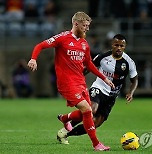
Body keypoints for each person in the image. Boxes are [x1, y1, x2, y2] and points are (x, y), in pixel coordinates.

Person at [27, 11, 115, 151]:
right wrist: (33, 58)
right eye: (85, 25)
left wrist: (104, 78)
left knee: (88, 113)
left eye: (88, 26)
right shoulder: (63, 38)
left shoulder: (84, 44)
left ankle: (65, 118)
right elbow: (40, 45)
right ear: (76, 24)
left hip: (80, 82)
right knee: (86, 110)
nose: (87, 28)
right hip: (66, 83)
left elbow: (89, 64)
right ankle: (96, 144)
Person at [57, 34, 138, 145]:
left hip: (112, 96)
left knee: (95, 123)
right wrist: (74, 81)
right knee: (91, 110)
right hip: (98, 89)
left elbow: (135, 80)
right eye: (116, 45)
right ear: (112, 45)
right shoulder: (102, 57)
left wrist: (131, 92)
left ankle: (65, 133)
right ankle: (66, 119)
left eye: (121, 45)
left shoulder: (129, 62)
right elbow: (87, 69)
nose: (119, 48)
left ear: (125, 46)